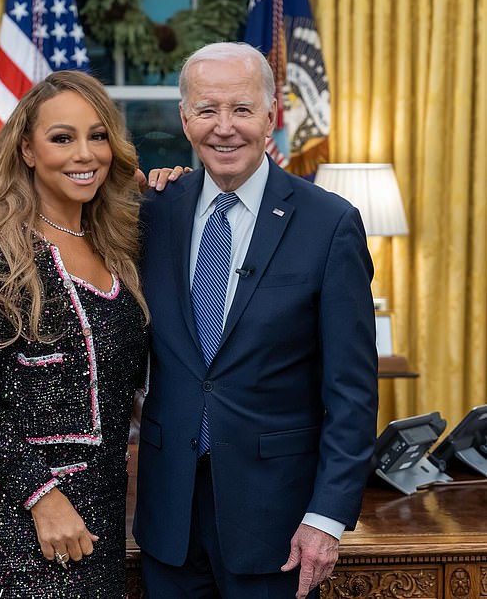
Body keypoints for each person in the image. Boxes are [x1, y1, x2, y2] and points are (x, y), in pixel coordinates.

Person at [134, 41, 379, 599]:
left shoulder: (330, 224)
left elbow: (353, 391)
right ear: (185, 118)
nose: (224, 128)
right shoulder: (151, 214)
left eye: (241, 109)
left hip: (279, 523)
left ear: (270, 116)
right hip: (168, 519)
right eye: (207, 110)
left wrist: (327, 516)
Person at [0, 70, 165, 597]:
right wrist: (43, 497)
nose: (85, 154)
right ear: (27, 151)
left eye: (98, 135)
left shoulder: (120, 248)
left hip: (104, 501)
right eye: (62, 138)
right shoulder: (0, 252)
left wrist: (163, 187)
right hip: (19, 509)